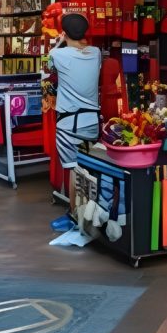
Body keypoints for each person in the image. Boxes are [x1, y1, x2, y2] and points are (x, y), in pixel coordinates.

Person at [49, 13, 102, 230]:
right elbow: (85, 48)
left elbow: (48, 66)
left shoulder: (58, 55)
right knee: (90, 169)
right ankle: (91, 211)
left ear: (64, 32)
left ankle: (74, 216)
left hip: (68, 124)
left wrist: (60, 42)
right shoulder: (96, 53)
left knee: (73, 169)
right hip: (92, 122)